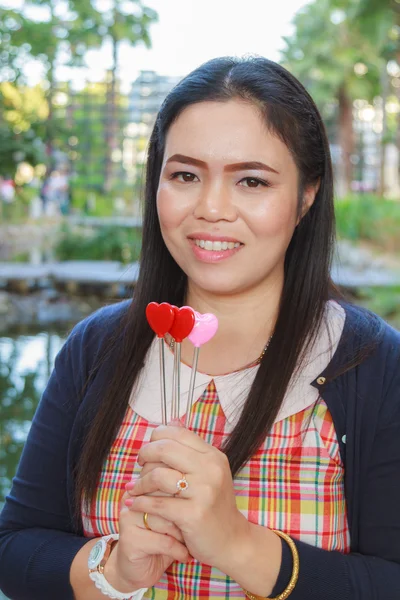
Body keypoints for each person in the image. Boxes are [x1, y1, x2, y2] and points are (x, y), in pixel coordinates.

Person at [0, 56, 399, 600]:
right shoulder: (97, 348)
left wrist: (237, 543)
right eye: (185, 175)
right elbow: (16, 548)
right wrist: (114, 569)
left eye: (252, 181)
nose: (211, 208)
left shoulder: (372, 363)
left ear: (306, 196)